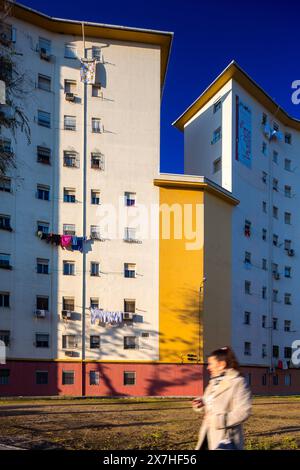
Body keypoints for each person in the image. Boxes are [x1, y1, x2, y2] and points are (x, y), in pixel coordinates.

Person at [192, 346, 252, 450]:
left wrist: (218, 420)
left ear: (222, 365)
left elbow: (243, 412)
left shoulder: (238, 382)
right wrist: (201, 403)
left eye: (211, 364)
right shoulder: (213, 382)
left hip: (225, 438)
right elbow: (211, 401)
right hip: (207, 434)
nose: (208, 367)